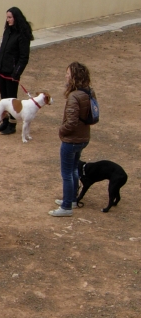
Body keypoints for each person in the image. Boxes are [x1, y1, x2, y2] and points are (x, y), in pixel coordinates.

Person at [49, 62, 92, 217]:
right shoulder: (88, 92)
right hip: (83, 138)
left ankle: (67, 206)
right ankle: (72, 198)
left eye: (68, 73)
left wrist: (61, 130)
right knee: (73, 169)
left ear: (74, 76)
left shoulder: (74, 96)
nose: (65, 76)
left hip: (72, 140)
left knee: (66, 173)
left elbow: (72, 122)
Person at [0, 7, 33, 135]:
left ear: (16, 18)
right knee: (4, 99)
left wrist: (17, 73)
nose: (8, 20)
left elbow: (24, 57)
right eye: (7, 17)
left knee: (11, 100)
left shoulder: (22, 35)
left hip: (12, 74)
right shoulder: (8, 31)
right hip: (2, 70)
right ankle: (4, 122)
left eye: (10, 17)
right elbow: (2, 49)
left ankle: (12, 124)